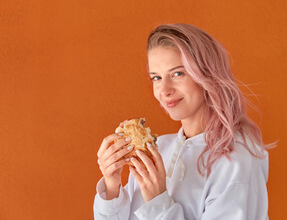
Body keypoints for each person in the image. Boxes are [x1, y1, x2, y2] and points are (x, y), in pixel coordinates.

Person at [94, 23, 276, 219]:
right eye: (156, 77)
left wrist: (158, 202)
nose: (164, 90)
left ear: (207, 74)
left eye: (177, 73)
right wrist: (112, 187)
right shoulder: (159, 149)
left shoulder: (236, 160)